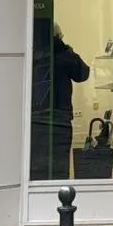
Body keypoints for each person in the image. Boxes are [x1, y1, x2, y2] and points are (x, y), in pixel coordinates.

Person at [32, 22, 90, 181]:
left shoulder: (32, 51)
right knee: (59, 160)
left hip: (35, 114)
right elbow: (82, 73)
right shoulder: (64, 55)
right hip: (60, 115)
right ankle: (59, 192)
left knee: (36, 160)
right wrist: (66, 49)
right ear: (58, 36)